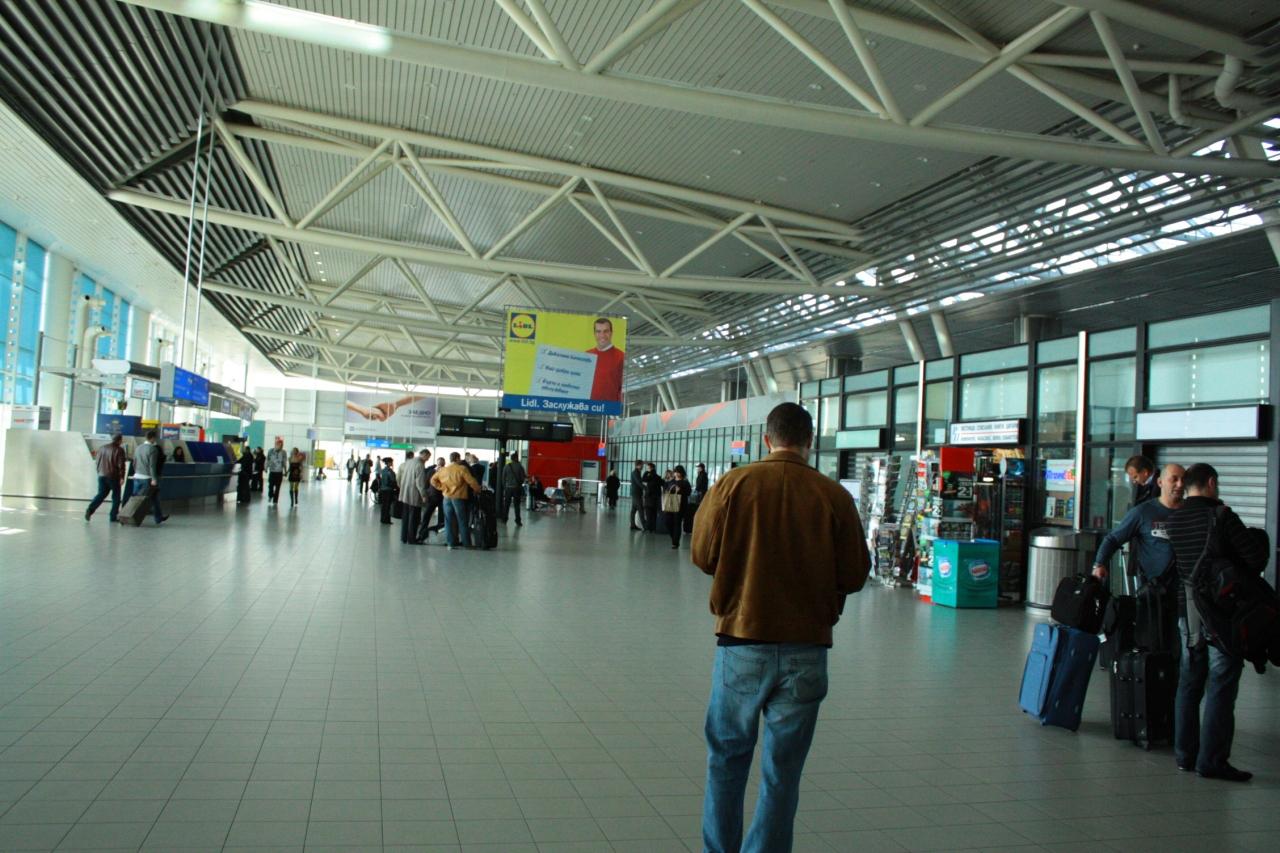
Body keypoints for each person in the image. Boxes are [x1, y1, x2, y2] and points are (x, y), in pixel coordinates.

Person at [691, 403, 870, 852]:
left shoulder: (733, 484)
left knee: (727, 760)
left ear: (766, 439)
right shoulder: (833, 496)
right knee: (783, 772)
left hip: (741, 642)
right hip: (807, 648)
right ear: (809, 441)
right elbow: (854, 575)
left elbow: (704, 556)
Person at [1164, 462, 1268, 783]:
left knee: (1189, 683)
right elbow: (1254, 558)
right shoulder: (1222, 516)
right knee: (1221, 683)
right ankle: (1212, 761)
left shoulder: (1175, 519)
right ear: (1211, 482)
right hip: (1222, 615)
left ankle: (1184, 755)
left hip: (1188, 613)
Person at [431, 452, 482, 550]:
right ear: (458, 459)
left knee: (448, 521)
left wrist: (442, 487)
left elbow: (433, 480)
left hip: (446, 497)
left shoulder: (443, 470)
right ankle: (467, 544)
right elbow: (471, 481)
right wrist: (478, 489)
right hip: (458, 497)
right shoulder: (461, 469)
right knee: (462, 520)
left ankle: (450, 543)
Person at [130, 430, 169, 526]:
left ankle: (129, 515)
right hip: (147, 478)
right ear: (152, 438)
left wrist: (136, 472)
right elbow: (152, 466)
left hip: (137, 476)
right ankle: (153, 518)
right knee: (150, 499)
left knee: (136, 498)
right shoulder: (153, 449)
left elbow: (134, 462)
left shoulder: (138, 447)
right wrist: (154, 479)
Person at [85, 434, 127, 522]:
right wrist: (122, 477)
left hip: (102, 475)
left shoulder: (102, 448)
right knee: (116, 497)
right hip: (113, 476)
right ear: (120, 440)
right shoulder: (119, 450)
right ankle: (113, 516)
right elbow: (121, 465)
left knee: (101, 494)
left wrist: (99, 472)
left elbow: (97, 461)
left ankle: (90, 509)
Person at [586, 317, 625, 402]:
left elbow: (623, 388)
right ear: (594, 334)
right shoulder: (586, 355)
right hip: (587, 406)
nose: (602, 335)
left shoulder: (621, 357)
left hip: (609, 407)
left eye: (606, 331)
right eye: (598, 331)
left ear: (611, 333)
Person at [398, 449, 429, 544]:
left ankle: (404, 537)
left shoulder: (408, 462)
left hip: (405, 494)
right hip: (414, 495)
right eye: (428, 457)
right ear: (424, 455)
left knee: (405, 517)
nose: (427, 459)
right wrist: (423, 495)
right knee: (414, 518)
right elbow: (420, 482)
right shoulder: (419, 465)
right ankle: (411, 539)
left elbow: (399, 477)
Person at [663, 465, 693, 549]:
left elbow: (688, 492)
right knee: (667, 522)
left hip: (680, 506)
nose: (676, 474)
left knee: (677, 523)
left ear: (681, 473)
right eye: (675, 472)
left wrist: (680, 490)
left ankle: (675, 543)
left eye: (678, 472)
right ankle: (674, 538)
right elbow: (666, 489)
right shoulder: (672, 481)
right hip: (670, 504)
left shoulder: (685, 482)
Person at [502, 453, 527, 526]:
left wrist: (505, 487)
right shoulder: (520, 466)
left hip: (508, 488)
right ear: (516, 458)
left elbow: (503, 478)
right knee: (517, 505)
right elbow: (522, 478)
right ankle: (518, 520)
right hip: (516, 488)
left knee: (506, 504)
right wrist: (519, 484)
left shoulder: (506, 466)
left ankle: (505, 519)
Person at [265, 439, 287, 506]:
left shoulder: (283, 452)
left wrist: (285, 471)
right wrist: (266, 467)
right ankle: (270, 495)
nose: (280, 446)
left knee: (278, 487)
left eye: (281, 445)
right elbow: (267, 460)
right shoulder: (271, 451)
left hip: (279, 472)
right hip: (272, 471)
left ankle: (275, 500)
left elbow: (284, 462)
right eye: (278, 444)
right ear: (275, 444)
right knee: (270, 485)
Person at [641, 462, 662, 532]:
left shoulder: (649, 476)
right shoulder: (657, 476)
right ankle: (653, 528)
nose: (647, 469)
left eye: (648, 468)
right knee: (654, 514)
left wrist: (647, 472)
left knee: (648, 514)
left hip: (649, 497)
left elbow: (643, 479)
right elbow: (662, 483)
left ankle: (648, 528)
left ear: (650, 468)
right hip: (656, 498)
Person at [377, 457, 398, 524]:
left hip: (383, 490)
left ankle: (383, 519)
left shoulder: (383, 470)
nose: (392, 463)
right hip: (388, 490)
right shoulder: (389, 471)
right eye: (391, 462)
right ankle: (386, 520)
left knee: (384, 505)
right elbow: (392, 481)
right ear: (388, 463)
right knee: (388, 506)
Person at [629, 460, 644, 530]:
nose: (643, 466)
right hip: (636, 494)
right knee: (641, 509)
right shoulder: (635, 473)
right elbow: (639, 483)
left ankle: (632, 525)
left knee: (634, 510)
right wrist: (647, 489)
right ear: (638, 465)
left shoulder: (637, 472)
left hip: (635, 493)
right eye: (642, 465)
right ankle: (645, 526)